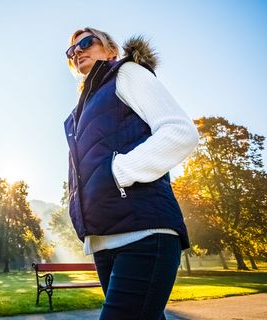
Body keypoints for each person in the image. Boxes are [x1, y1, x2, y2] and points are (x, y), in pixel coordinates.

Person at [63, 27, 199, 319]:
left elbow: (180, 132)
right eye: (71, 51)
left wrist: (119, 172)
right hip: (103, 241)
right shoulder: (79, 112)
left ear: (110, 49)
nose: (78, 51)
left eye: (87, 43)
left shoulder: (126, 74)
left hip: (144, 234)